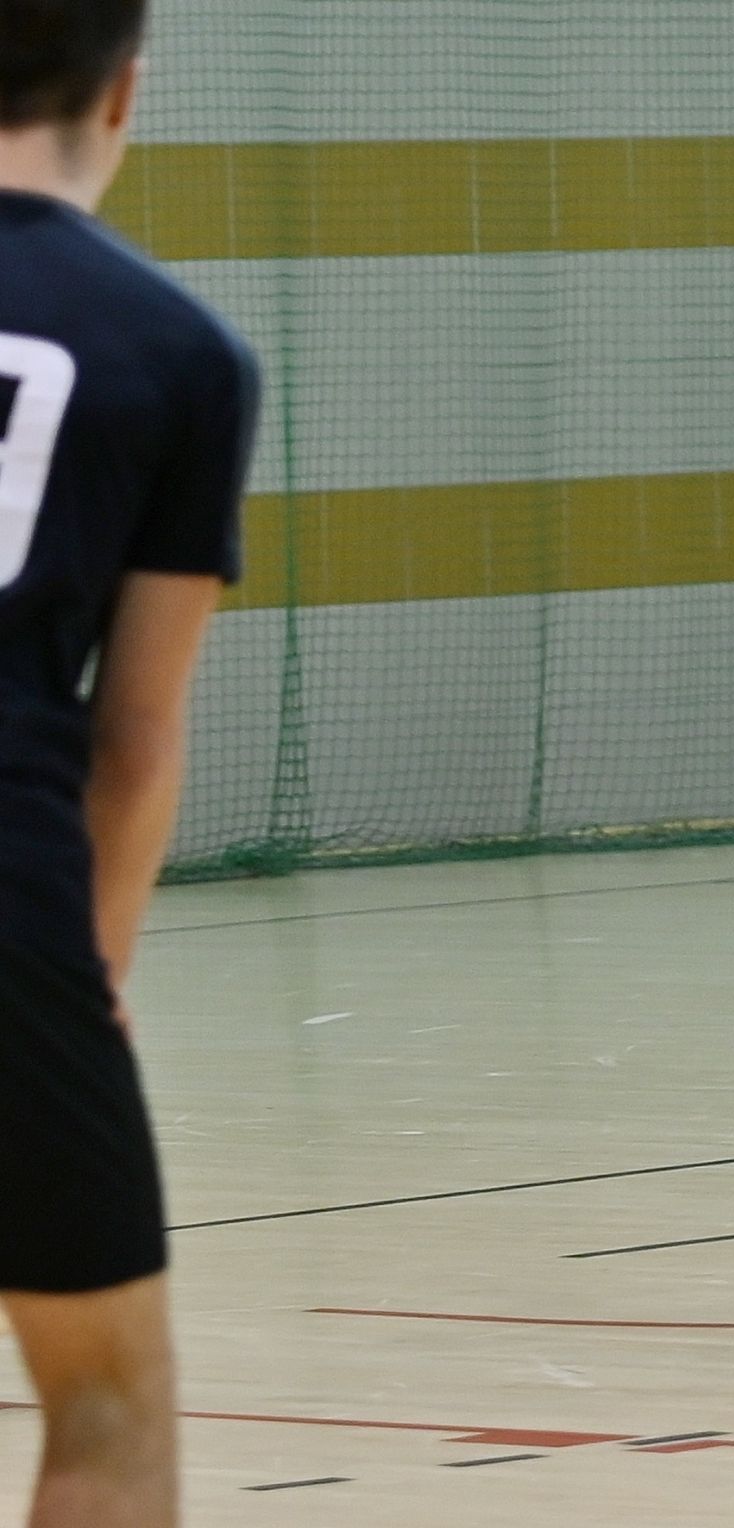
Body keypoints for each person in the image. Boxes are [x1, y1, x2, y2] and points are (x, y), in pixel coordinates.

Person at [0, 1, 259, 1520]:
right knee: (105, 1411)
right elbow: (138, 735)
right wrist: (85, 977)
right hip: (10, 908)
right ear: (123, 94)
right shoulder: (177, 353)